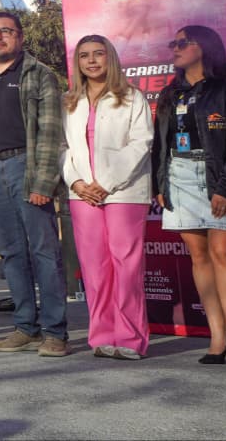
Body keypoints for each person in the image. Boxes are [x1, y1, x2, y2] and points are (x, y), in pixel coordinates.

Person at [0, 10, 69, 357]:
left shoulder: (39, 74)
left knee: (44, 252)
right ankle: (26, 328)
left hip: (28, 165)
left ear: (20, 38)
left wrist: (43, 182)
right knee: (11, 253)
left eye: (6, 31)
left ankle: (55, 332)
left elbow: (50, 131)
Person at [60, 34, 153, 360]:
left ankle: (130, 339)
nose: (91, 60)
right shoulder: (70, 101)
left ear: (109, 58)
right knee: (94, 268)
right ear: (78, 63)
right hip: (82, 194)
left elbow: (142, 142)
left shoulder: (131, 97)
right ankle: (102, 336)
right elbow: (62, 148)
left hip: (124, 192)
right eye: (84, 55)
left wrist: (107, 182)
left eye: (98, 54)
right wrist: (76, 182)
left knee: (126, 266)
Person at [151, 25, 226, 364]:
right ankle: (217, 338)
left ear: (204, 47)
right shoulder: (169, 94)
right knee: (199, 257)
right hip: (180, 175)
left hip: (219, 176)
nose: (175, 48)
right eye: (172, 43)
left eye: (183, 42)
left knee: (223, 254)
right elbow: (160, 145)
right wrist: (160, 185)